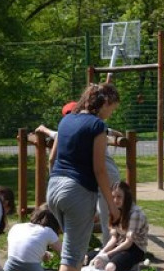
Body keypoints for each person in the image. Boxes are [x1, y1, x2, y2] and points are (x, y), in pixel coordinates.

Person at [47, 83, 121, 271]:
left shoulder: (66, 121)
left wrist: (57, 182)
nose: (111, 113)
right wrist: (112, 206)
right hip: (76, 191)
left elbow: (51, 158)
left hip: (54, 188)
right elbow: (100, 170)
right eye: (112, 107)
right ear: (104, 103)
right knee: (71, 255)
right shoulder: (97, 126)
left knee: (74, 248)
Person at [36, 102, 122, 245]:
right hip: (105, 174)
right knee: (106, 212)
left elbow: (53, 154)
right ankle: (108, 250)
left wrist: (43, 129)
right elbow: (112, 131)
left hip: (100, 174)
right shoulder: (95, 125)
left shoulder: (70, 128)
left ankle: (109, 250)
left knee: (106, 214)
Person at [2, 203, 62, 271]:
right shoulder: (48, 231)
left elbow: (20, 252)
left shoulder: (16, 227)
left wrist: (42, 254)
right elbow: (64, 255)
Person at [90, 181, 148, 271]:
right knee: (90, 260)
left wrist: (108, 255)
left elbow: (129, 242)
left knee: (110, 269)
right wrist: (103, 252)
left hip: (135, 249)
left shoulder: (136, 214)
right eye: (113, 197)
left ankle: (130, 265)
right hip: (119, 245)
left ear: (126, 197)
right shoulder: (115, 210)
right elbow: (114, 238)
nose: (115, 200)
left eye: (119, 197)